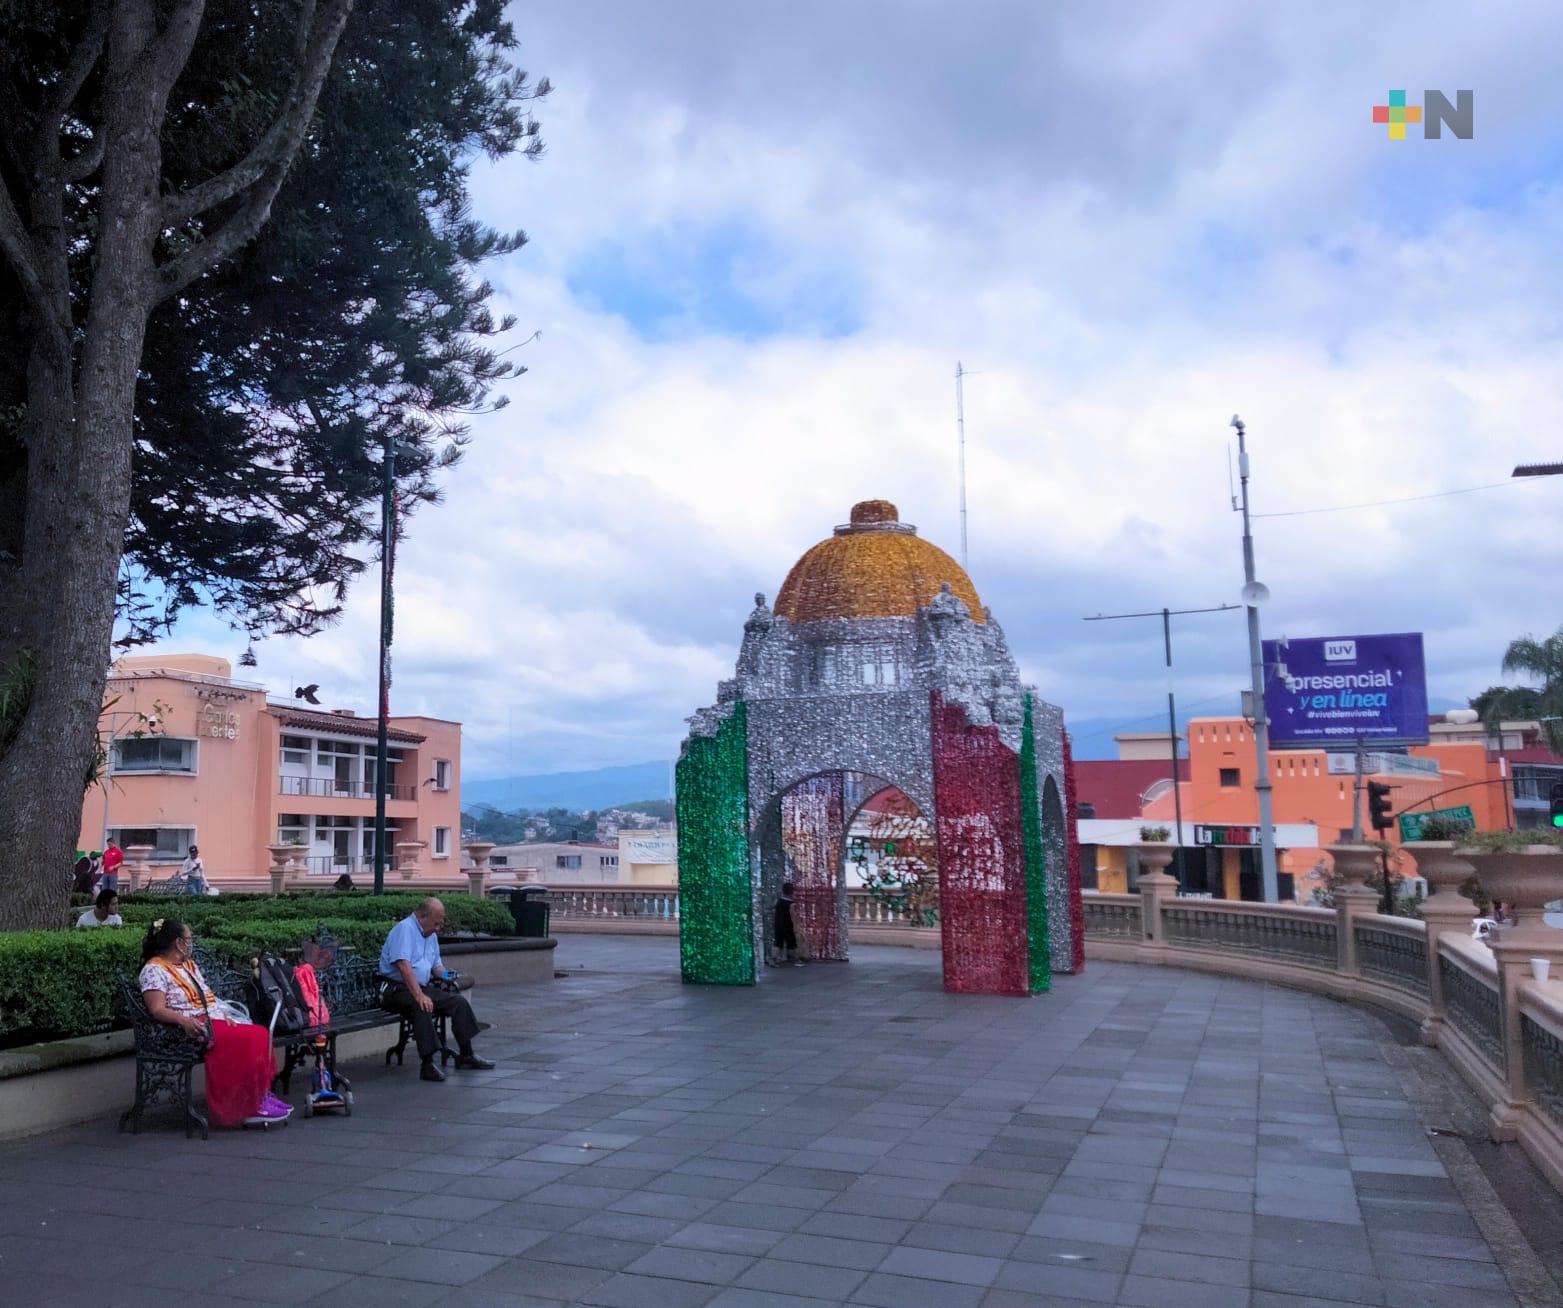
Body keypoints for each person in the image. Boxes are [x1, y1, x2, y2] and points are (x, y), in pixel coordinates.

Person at [138, 919, 291, 1125]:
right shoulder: (153, 969)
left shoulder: (188, 965)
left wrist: (223, 1014)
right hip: (186, 1029)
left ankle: (258, 1095)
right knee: (252, 1037)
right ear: (178, 943)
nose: (191, 943)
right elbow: (157, 1009)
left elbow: (207, 997)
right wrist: (184, 1021)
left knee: (260, 1033)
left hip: (210, 1020)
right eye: (189, 939)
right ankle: (247, 1105)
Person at [378, 898, 493, 1081]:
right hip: (395, 989)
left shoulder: (430, 935)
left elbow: (437, 968)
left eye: (440, 923)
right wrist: (419, 995)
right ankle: (427, 1064)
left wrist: (452, 976)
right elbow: (404, 967)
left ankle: (466, 1054)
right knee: (423, 1006)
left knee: (458, 1002)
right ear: (423, 916)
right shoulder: (405, 929)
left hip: (419, 986)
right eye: (436, 923)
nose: (438, 928)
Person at [773, 880, 802, 966]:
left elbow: (774, 909)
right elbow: (793, 915)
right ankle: (796, 960)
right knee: (792, 943)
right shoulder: (791, 904)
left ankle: (773, 959)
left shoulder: (778, 901)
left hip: (778, 924)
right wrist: (796, 926)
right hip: (788, 925)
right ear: (792, 892)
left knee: (778, 943)